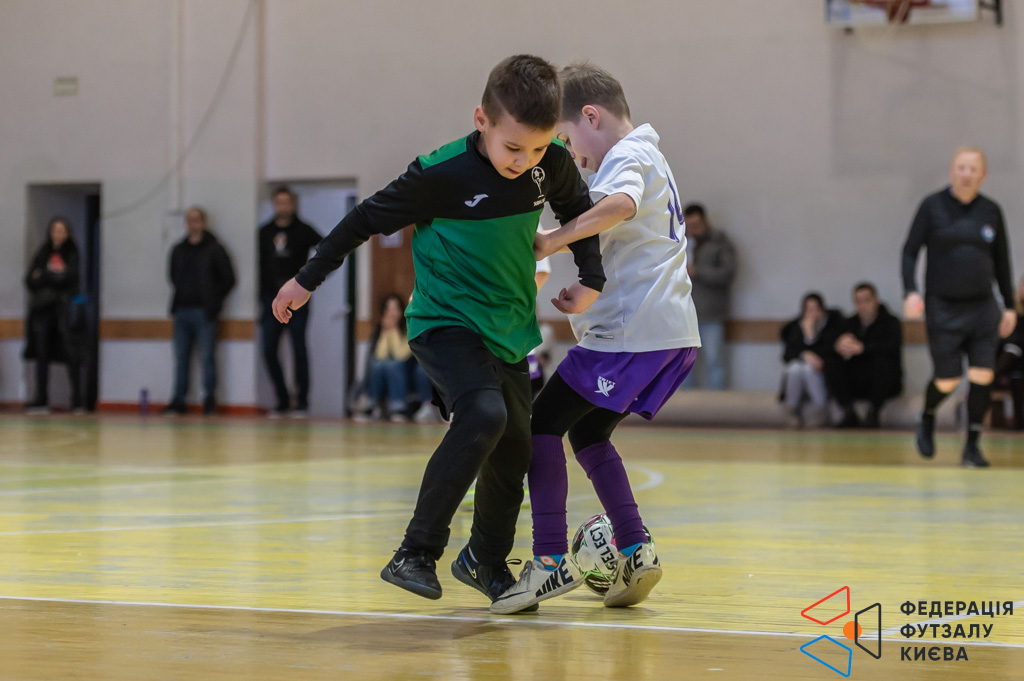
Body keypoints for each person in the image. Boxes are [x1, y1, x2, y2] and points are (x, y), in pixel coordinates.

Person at [272, 55, 608, 605]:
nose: (525, 162)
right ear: (481, 120)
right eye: (512, 148)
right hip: (443, 322)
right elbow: (363, 220)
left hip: (508, 327)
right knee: (484, 414)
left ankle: (485, 561)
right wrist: (305, 281)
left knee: (515, 448)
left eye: (538, 149)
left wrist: (591, 277)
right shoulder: (439, 174)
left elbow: (579, 209)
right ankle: (416, 551)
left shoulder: (549, 163)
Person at [491, 62, 700, 614]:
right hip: (667, 333)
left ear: (591, 116)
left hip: (634, 332)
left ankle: (549, 560)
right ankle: (634, 548)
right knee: (587, 432)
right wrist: (587, 287)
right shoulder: (652, 155)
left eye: (564, 138)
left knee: (540, 424)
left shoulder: (627, 156)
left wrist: (551, 240)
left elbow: (620, 206)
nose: (568, 153)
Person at [902, 147, 1017, 467]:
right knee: (948, 380)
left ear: (983, 175)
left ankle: (972, 447)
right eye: (961, 167)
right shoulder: (932, 206)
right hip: (943, 307)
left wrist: (1009, 306)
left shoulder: (991, 211)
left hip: (982, 308)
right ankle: (927, 415)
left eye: (973, 169)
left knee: (982, 375)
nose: (967, 174)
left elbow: (1002, 261)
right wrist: (910, 291)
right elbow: (909, 251)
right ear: (952, 171)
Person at [163, 207, 236, 416]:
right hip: (181, 310)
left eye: (197, 220)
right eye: (189, 220)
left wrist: (214, 300)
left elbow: (229, 279)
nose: (193, 224)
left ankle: (210, 401)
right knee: (181, 358)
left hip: (205, 312)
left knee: (207, 357)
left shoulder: (215, 249)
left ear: (203, 222)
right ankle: (178, 401)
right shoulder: (178, 249)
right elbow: (172, 277)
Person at [258, 186, 321, 417]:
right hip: (270, 299)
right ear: (274, 204)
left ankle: (301, 401)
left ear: (292, 204)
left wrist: (310, 280)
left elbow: (327, 249)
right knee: (268, 350)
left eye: (286, 202)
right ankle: (283, 399)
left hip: (297, 302)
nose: (282, 207)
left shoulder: (303, 230)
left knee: (298, 348)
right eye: (279, 202)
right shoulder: (264, 232)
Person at [23, 217, 83, 413]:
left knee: (70, 352)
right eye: (54, 230)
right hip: (43, 311)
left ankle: (77, 400)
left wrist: (45, 275)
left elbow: (69, 278)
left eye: (61, 230)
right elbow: (30, 280)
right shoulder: (43, 252)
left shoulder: (71, 253)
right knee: (42, 353)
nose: (57, 234)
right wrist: (54, 275)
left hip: (63, 310)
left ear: (67, 233)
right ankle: (41, 399)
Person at [826, 283, 903, 428]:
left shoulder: (890, 322)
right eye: (858, 301)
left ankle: (874, 413)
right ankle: (848, 411)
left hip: (884, 382)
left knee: (883, 361)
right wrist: (840, 346)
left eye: (867, 300)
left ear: (876, 300)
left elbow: (892, 347)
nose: (863, 306)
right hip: (858, 381)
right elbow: (830, 346)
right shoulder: (849, 323)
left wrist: (863, 348)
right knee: (831, 362)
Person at [683, 203, 736, 390]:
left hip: (711, 313)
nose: (693, 229)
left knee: (714, 361)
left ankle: (718, 404)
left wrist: (698, 271)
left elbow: (727, 273)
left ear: (705, 221)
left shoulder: (719, 242)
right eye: (689, 225)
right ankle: (685, 404)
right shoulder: (680, 242)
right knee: (683, 364)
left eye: (696, 225)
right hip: (684, 314)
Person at [779, 293, 843, 429]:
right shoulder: (796, 327)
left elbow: (830, 352)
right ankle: (792, 411)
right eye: (808, 309)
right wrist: (804, 354)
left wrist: (811, 337)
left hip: (821, 376)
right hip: (800, 375)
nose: (812, 314)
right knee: (795, 368)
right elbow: (787, 355)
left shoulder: (831, 326)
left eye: (815, 309)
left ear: (822, 310)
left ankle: (820, 410)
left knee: (809, 368)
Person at [355, 293, 413, 423]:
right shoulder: (379, 330)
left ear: (401, 311)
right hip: (383, 369)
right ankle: (372, 405)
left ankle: (398, 408)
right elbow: (379, 355)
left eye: (395, 309)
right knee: (377, 364)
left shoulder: (408, 329)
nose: (392, 313)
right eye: (388, 309)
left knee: (393, 365)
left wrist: (393, 331)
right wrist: (386, 332)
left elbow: (400, 355)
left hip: (405, 370)